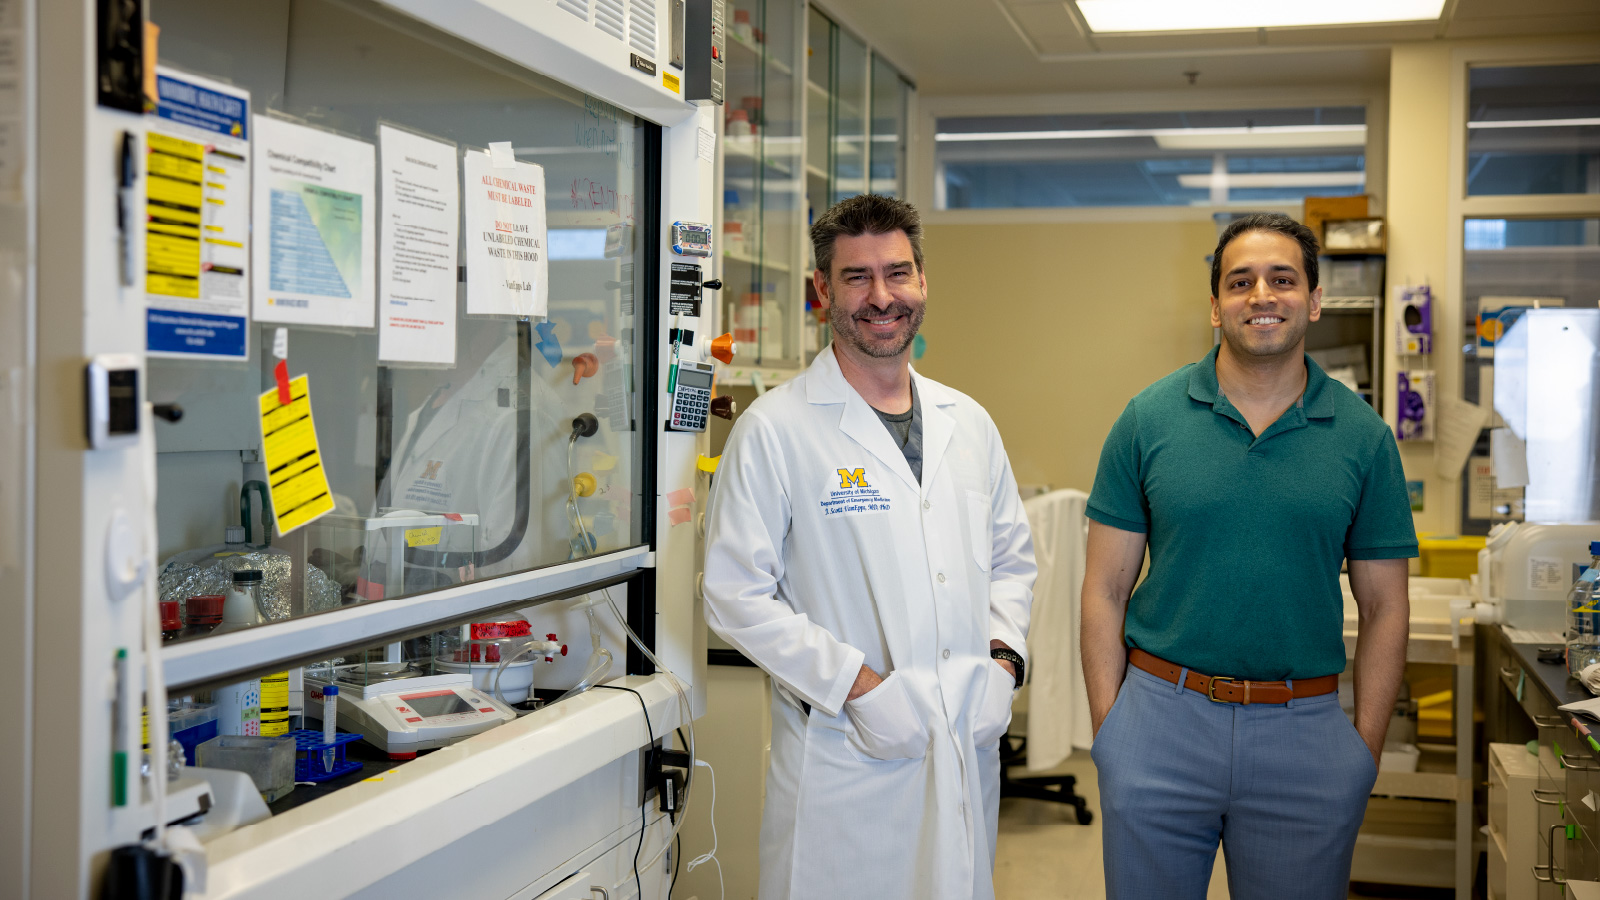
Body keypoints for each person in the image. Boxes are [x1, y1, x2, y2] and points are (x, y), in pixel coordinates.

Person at [702, 194, 1035, 899]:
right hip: (844, 755)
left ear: (922, 281)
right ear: (823, 290)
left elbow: (1011, 561)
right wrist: (860, 688)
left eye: (898, 273)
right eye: (857, 277)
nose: (882, 297)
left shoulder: (968, 422)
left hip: (962, 736)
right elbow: (733, 594)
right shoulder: (776, 429)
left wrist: (1003, 664)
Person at [1080, 212, 1415, 900]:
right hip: (1159, 722)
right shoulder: (1147, 419)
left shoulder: (1364, 438)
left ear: (1314, 300)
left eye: (1282, 279)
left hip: (1305, 735)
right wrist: (1111, 733)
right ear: (1215, 305)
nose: (1261, 294)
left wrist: (1363, 751)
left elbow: (1386, 605)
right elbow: (1104, 589)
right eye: (1240, 282)